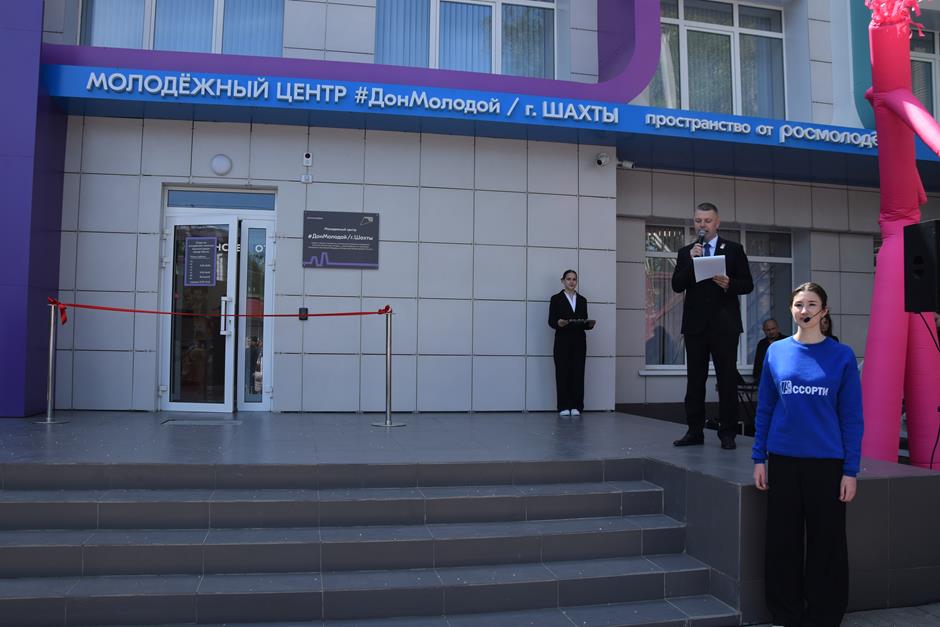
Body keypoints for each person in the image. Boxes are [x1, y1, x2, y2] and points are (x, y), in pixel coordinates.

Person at [752, 282, 864, 627]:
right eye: (799, 304)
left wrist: (850, 470)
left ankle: (824, 616)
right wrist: (759, 457)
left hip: (827, 465)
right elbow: (765, 408)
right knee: (782, 541)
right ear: (791, 310)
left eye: (812, 304)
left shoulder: (842, 356)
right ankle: (785, 614)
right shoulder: (776, 352)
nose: (805, 310)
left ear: (824, 311)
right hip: (783, 461)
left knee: (827, 543)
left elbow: (852, 417)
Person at [671, 202, 754, 449]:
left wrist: (729, 283)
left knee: (726, 379)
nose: (702, 225)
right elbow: (677, 285)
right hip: (695, 326)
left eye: (707, 221)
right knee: (694, 380)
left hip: (724, 326)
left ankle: (728, 433)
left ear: (717, 223)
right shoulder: (686, 252)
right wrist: (690, 261)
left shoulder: (734, 249)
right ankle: (694, 431)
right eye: (698, 220)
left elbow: (747, 284)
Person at [548, 270, 593, 416]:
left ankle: (577, 406)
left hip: (579, 341)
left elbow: (583, 320)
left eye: (574, 279)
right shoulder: (556, 299)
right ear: (563, 281)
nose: (571, 282)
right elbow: (551, 321)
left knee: (578, 373)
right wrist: (558, 323)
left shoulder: (582, 300)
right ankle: (563, 406)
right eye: (568, 279)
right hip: (562, 341)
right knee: (562, 372)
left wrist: (589, 325)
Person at [752, 318, 787, 384]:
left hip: (782, 378)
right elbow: (757, 361)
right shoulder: (761, 343)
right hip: (765, 379)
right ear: (764, 331)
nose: (771, 332)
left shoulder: (786, 341)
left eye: (773, 329)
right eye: (768, 330)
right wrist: (756, 377)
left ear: (778, 328)